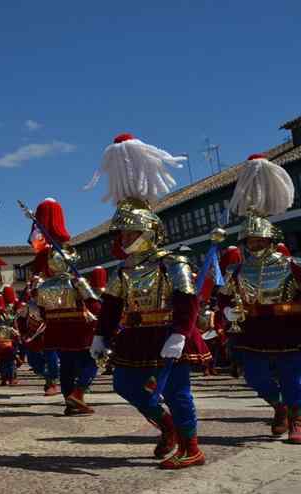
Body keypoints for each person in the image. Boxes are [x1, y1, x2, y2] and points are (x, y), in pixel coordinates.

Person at [88, 133, 210, 469]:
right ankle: (167, 426)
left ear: (151, 233)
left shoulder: (172, 262)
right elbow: (111, 306)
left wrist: (180, 333)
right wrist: (101, 335)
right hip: (135, 335)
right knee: (124, 383)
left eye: (131, 233)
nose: (124, 239)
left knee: (177, 392)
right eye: (122, 234)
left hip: (169, 334)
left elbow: (187, 299)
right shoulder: (123, 269)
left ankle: (191, 447)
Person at [218, 154, 301, 444]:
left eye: (259, 240)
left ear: (270, 239)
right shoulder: (236, 269)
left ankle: (297, 420)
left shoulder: (293, 264)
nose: (254, 244)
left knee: (294, 376)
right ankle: (278, 407)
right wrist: (228, 312)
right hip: (253, 329)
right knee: (255, 377)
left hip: (289, 326)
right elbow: (224, 299)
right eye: (250, 241)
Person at [29, 199, 101, 415]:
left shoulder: (43, 285)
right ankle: (78, 394)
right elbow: (94, 305)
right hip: (79, 329)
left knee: (67, 365)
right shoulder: (76, 281)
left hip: (56, 329)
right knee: (92, 361)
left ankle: (69, 402)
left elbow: (40, 310)